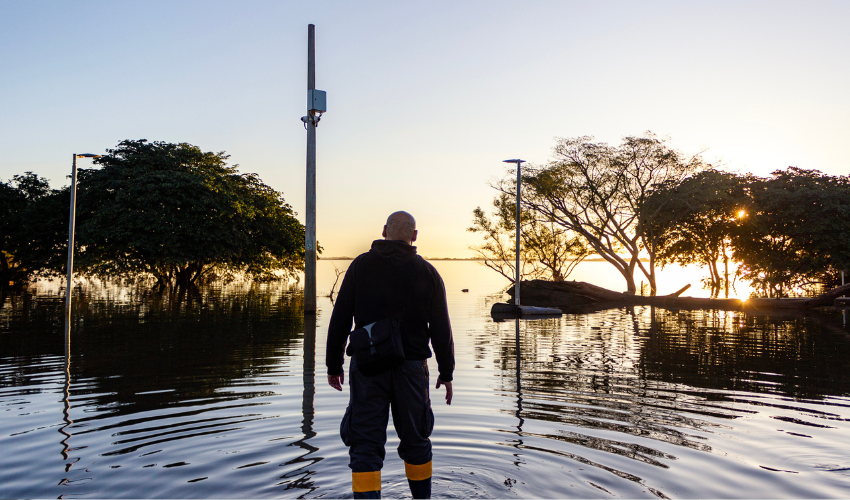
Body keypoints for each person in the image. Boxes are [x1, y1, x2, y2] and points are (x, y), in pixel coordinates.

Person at [326, 211, 454, 499]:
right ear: (414, 235)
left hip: (368, 366)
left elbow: (341, 317)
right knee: (416, 440)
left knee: (365, 443)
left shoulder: (360, 266)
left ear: (384, 231)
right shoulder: (428, 273)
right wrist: (446, 372)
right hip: (411, 368)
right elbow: (441, 327)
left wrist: (334, 365)